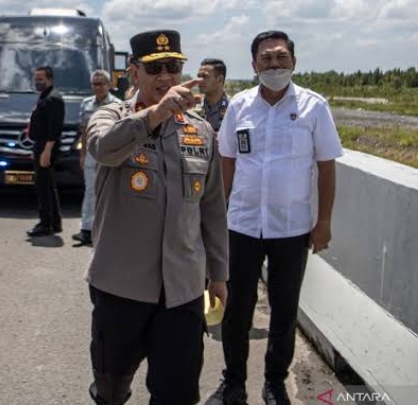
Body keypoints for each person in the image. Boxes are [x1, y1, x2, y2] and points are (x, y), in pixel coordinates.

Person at [85, 30, 229, 405]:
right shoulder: (110, 116)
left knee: (178, 393)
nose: (166, 76)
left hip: (182, 290)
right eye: (155, 68)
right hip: (121, 287)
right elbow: (103, 149)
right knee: (111, 389)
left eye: (173, 67)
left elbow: (212, 208)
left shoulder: (199, 130)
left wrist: (219, 275)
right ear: (134, 73)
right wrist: (158, 112)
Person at [208, 31, 343, 405]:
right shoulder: (239, 106)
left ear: (294, 62)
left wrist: (324, 221)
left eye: (281, 57)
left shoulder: (315, 107)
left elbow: (327, 168)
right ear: (253, 65)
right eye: (265, 58)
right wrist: (216, 219)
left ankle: (274, 382)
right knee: (236, 309)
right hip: (242, 225)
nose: (274, 64)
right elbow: (228, 162)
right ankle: (233, 382)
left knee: (285, 310)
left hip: (292, 227)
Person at [72, 70, 119, 246]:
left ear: (108, 85)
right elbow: (84, 131)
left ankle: (106, 231)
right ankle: (86, 230)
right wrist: (83, 154)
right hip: (92, 154)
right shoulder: (86, 104)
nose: (98, 87)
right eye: (95, 84)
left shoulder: (117, 104)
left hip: (110, 154)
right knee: (90, 191)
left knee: (109, 192)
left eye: (101, 84)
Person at [26, 65, 65, 237]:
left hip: (46, 147)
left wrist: (46, 151)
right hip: (41, 145)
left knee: (43, 187)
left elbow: (54, 128)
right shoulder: (45, 96)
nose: (37, 82)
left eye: (40, 79)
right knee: (48, 185)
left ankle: (45, 224)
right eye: (36, 79)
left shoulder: (53, 98)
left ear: (50, 79)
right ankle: (54, 223)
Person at [196, 58, 230, 132]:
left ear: (220, 79)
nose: (199, 80)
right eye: (199, 76)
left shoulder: (233, 108)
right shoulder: (193, 108)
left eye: (205, 76)